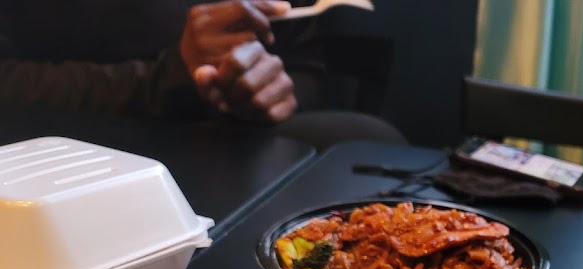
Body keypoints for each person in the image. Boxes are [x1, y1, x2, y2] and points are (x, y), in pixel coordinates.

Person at [0, 0, 406, 148]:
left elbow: (303, 66)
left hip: (235, 140)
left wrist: (273, 91)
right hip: (80, 144)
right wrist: (168, 80)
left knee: (364, 138)